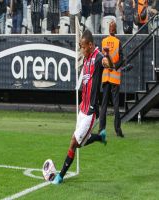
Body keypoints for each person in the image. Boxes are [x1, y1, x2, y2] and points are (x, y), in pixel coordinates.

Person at [52, 30, 107, 185]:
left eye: (83, 46)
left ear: (90, 45)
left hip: (90, 111)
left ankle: (60, 176)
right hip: (82, 108)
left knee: (74, 142)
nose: (81, 49)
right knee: (81, 143)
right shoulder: (86, 59)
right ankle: (100, 136)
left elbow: (106, 63)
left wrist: (108, 58)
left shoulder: (98, 58)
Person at [99, 20, 124, 138]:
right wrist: (115, 66)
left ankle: (101, 129)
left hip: (105, 77)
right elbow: (122, 59)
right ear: (116, 29)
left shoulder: (103, 41)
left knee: (103, 105)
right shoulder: (118, 42)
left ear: (109, 30)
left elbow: (102, 60)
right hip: (114, 78)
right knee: (115, 105)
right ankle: (118, 130)